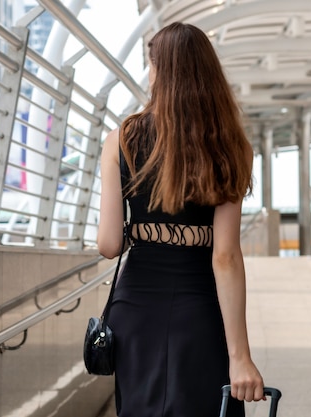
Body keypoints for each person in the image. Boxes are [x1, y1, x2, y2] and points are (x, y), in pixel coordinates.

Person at [97, 21, 265, 417]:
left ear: (159, 71)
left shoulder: (122, 138)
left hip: (135, 308)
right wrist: (240, 357)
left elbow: (108, 245)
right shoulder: (228, 147)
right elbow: (225, 257)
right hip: (199, 309)